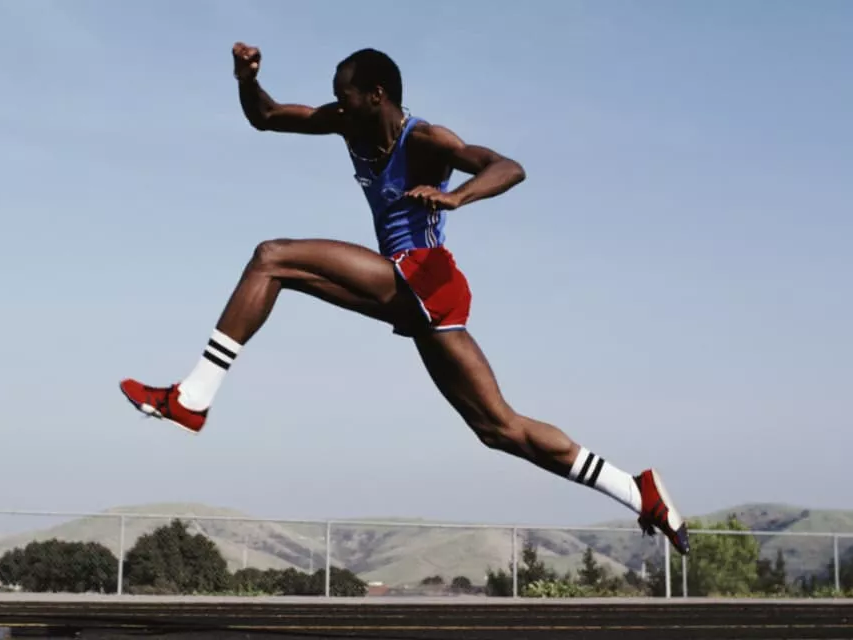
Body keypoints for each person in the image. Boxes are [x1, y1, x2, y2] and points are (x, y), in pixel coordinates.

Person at [120, 43, 690, 555]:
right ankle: (635, 490)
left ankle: (192, 397)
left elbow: (508, 167)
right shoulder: (347, 125)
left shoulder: (425, 139)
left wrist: (458, 196)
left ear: (377, 94)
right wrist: (247, 80)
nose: (336, 106)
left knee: (273, 256)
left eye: (345, 96)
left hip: (424, 275)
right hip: (418, 296)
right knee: (499, 429)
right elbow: (267, 117)